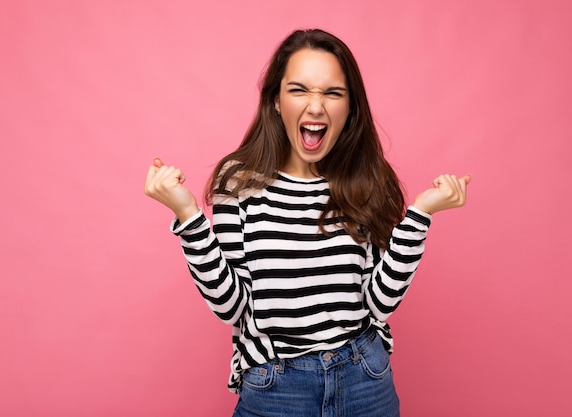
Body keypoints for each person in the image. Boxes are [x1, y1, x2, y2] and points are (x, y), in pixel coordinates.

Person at [144, 28, 471, 417]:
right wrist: (188, 217)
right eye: (299, 90)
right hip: (276, 383)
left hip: (364, 377)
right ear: (276, 101)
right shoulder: (238, 180)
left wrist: (420, 215)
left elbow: (379, 303)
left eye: (332, 93)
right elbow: (233, 307)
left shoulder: (368, 179)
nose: (316, 107)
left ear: (350, 107)